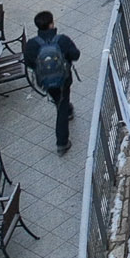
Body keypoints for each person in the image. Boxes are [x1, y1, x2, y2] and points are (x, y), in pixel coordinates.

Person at [23, 12, 81, 154]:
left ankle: (67, 109)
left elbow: (29, 62)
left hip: (45, 82)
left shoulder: (32, 44)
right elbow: (76, 55)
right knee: (61, 106)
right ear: (51, 24)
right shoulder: (62, 40)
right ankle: (62, 142)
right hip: (63, 79)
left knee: (59, 100)